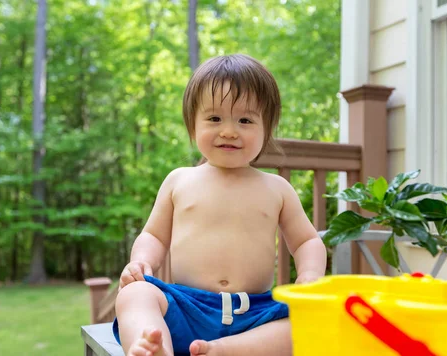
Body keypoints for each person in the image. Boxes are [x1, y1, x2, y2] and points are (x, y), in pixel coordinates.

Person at [113, 54, 327, 356]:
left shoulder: (277, 188)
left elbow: (306, 240)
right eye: (214, 119)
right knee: (134, 295)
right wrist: (141, 263)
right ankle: (152, 345)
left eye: (245, 120)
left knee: (306, 322)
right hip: (185, 308)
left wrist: (310, 275)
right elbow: (154, 236)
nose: (229, 130)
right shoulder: (180, 181)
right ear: (193, 125)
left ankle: (223, 349)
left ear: (267, 127)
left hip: (255, 315)